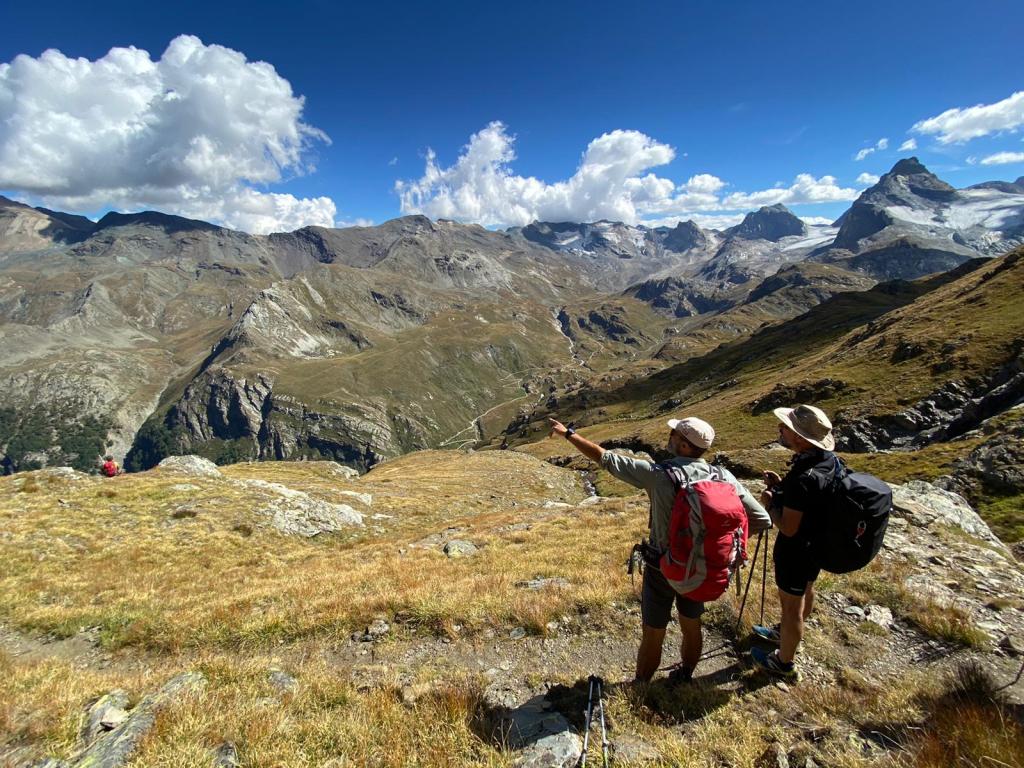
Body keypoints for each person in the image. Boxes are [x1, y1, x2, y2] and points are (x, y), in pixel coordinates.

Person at [548, 416, 771, 684]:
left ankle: (642, 684)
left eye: (675, 434)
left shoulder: (659, 475)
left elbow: (606, 459)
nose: (670, 436)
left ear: (686, 446)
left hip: (661, 566)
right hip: (701, 566)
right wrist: (719, 545)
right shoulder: (725, 477)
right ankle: (685, 675)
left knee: (653, 631)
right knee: (692, 624)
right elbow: (761, 519)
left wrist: (569, 434)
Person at [751, 404, 837, 680]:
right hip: (816, 543)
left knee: (792, 606)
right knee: (806, 590)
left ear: (800, 438)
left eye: (785, 427)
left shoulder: (803, 478)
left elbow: (788, 527)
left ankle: (783, 663)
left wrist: (769, 503)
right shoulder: (827, 462)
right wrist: (780, 487)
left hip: (796, 550)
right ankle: (785, 634)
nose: (780, 429)